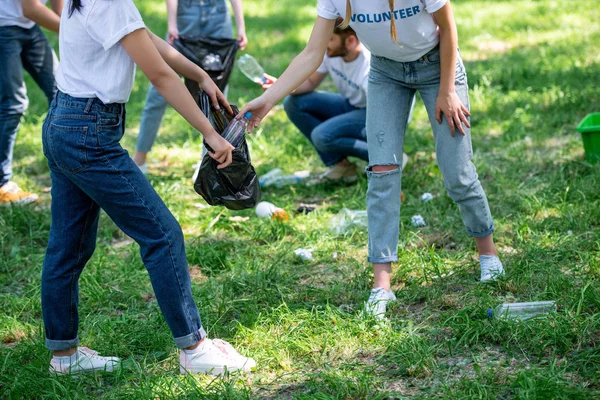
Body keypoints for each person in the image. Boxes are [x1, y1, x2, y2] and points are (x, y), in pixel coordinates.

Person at [239, 0, 505, 318]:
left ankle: (488, 254)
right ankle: (382, 286)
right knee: (381, 172)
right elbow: (312, 53)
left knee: (457, 172)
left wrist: (448, 90)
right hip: (385, 73)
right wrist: (269, 99)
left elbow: (447, 28)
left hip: (438, 67)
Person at [42, 0, 255, 375]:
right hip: (89, 135)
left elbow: (146, 38)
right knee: (163, 234)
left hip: (64, 122)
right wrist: (210, 134)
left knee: (68, 245)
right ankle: (195, 349)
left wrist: (200, 74)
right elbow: (158, 75)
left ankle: (65, 356)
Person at [263, 18, 412, 183]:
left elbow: (385, 113)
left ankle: (390, 159)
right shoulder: (330, 52)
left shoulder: (368, 65)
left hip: (380, 113)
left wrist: (385, 143)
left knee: (322, 136)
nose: (324, 42)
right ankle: (342, 167)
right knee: (294, 103)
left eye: (331, 38)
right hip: (354, 105)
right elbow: (311, 82)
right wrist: (280, 87)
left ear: (350, 40)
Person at [132, 0, 248, 174]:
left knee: (216, 98)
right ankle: (140, 158)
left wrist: (241, 25)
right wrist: (172, 23)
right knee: (157, 94)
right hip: (185, 17)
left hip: (218, 18)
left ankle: (207, 162)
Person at [0, 0, 62, 205]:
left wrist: (65, 21)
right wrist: (78, 30)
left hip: (29, 26)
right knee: (13, 105)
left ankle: (69, 171)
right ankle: (2, 185)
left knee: (62, 92)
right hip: (4, 26)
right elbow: (31, 8)